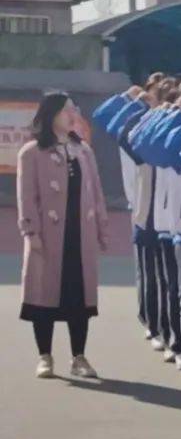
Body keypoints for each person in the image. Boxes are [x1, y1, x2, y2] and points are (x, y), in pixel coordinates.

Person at [18, 91, 110, 381]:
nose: (73, 115)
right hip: (47, 236)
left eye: (75, 109)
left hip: (80, 236)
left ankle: (79, 357)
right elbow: (26, 197)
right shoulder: (32, 152)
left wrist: (102, 229)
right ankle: (44, 356)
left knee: (79, 297)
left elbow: (96, 192)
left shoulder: (83, 151)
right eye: (66, 110)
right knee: (43, 295)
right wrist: (31, 231)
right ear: (51, 114)